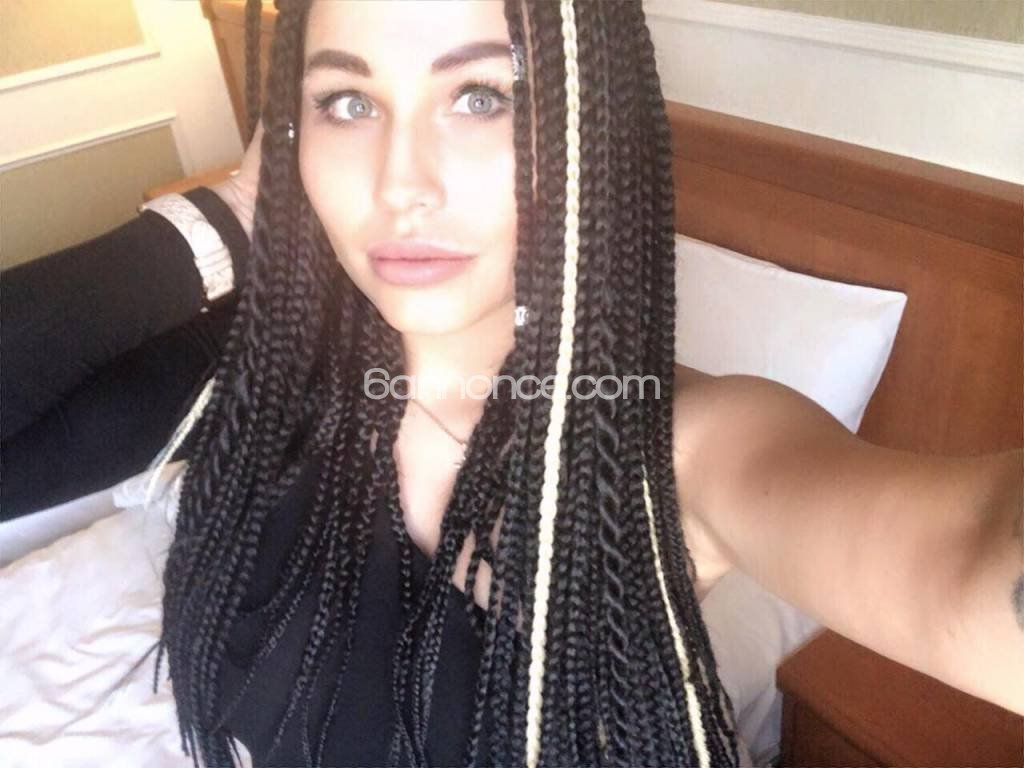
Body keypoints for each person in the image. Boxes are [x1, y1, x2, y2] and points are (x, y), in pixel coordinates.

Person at [7, 1, 1019, 766]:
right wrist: (235, 210)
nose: (401, 184)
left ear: (591, 130)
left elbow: (974, 559)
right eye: (348, 103)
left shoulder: (673, 450)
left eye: (482, 96)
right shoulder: (259, 374)